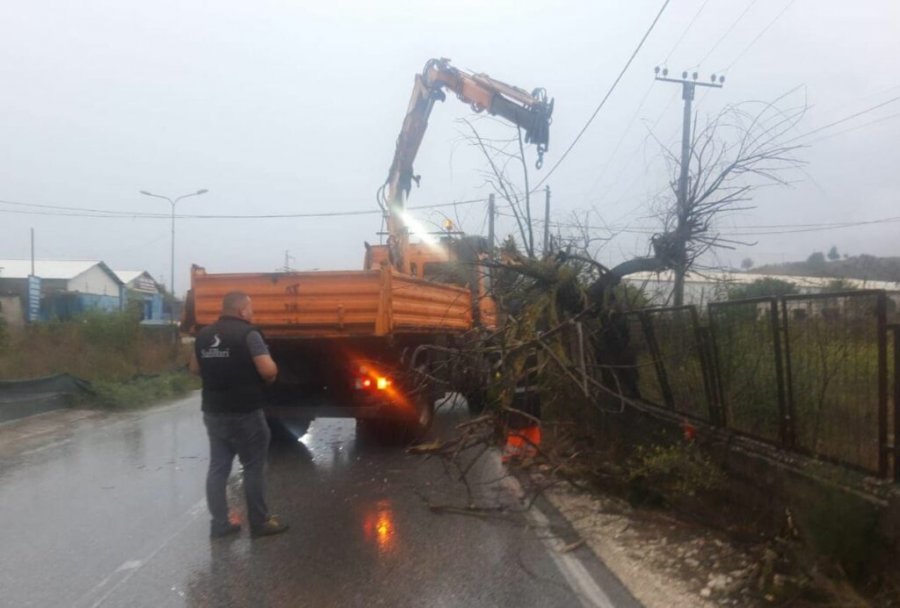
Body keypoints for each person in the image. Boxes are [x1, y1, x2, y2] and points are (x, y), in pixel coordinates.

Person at [189, 291, 289, 539]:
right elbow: (267, 370)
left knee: (218, 468)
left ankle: (220, 524)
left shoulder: (203, 335)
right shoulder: (249, 334)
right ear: (242, 310)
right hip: (246, 412)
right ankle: (260, 522)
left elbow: (193, 369)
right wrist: (273, 371)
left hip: (213, 411)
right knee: (254, 467)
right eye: (250, 308)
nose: (252, 313)